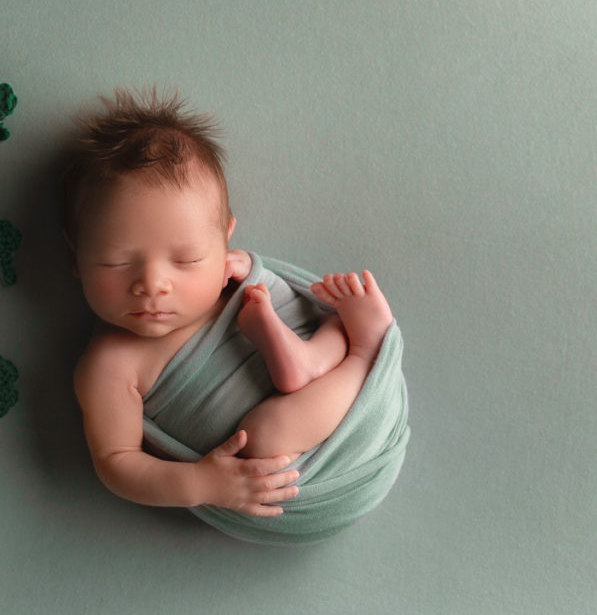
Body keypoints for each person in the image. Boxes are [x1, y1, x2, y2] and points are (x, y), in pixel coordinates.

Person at [62, 88, 394, 518]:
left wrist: (244, 267)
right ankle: (356, 356)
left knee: (330, 316)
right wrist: (201, 483)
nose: (151, 284)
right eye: (117, 262)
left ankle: (354, 353)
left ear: (223, 242)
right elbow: (116, 462)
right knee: (262, 440)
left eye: (187, 260)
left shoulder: (231, 275)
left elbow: (296, 296)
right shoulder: (109, 365)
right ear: (77, 256)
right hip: (309, 470)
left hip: (352, 406)